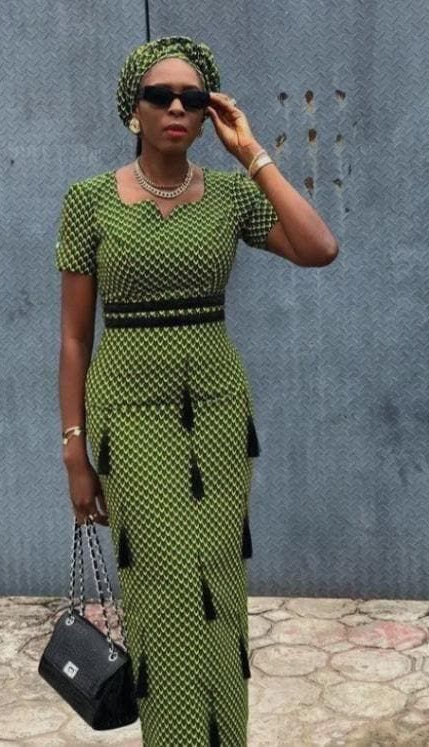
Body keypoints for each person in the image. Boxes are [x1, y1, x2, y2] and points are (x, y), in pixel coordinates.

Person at [54, 34, 338, 747]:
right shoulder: (89, 202)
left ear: (209, 111)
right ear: (135, 109)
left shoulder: (233, 196)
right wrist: (74, 449)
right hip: (128, 418)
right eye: (161, 96)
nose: (176, 108)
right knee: (166, 583)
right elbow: (74, 339)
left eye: (193, 98)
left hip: (216, 414)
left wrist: (253, 153)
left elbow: (319, 248)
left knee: (218, 582)